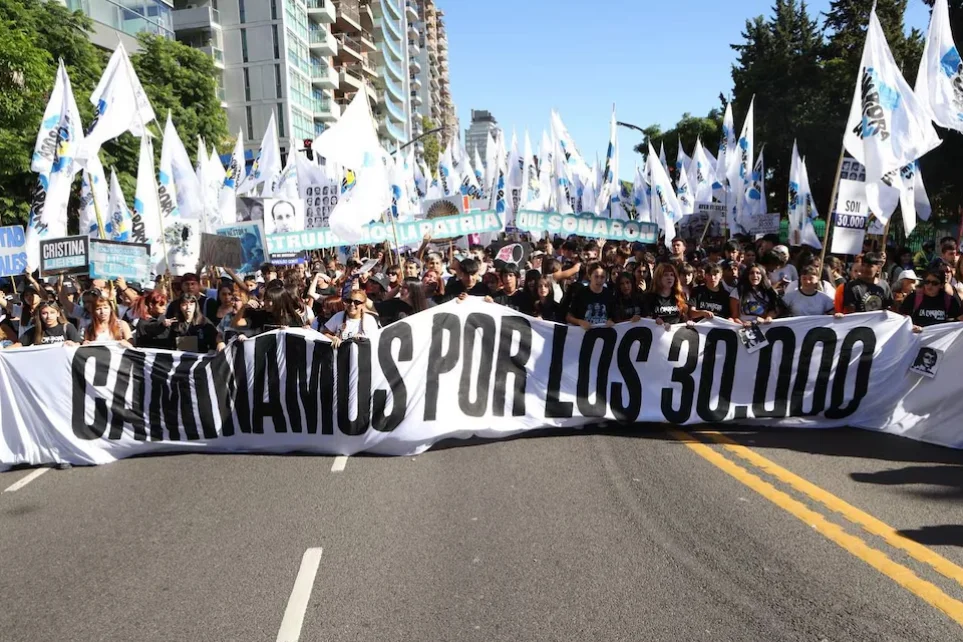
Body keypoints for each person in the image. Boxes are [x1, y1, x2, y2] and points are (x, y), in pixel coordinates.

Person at [139, 293, 222, 353]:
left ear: (195, 306)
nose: (188, 308)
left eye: (191, 304)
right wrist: (161, 325)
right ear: (180, 306)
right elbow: (151, 330)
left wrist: (216, 346)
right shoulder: (174, 322)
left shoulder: (204, 322)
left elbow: (214, 339)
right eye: (184, 305)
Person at [898, 268, 962, 331]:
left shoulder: (949, 300)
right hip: (917, 335)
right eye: (927, 282)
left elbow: (956, 322)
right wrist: (911, 326)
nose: (930, 285)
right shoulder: (913, 297)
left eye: (934, 283)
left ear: (942, 285)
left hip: (940, 336)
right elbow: (902, 318)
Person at [566, 262, 613, 328]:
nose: (599, 280)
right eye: (596, 277)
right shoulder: (580, 293)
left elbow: (612, 316)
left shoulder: (609, 294)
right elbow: (569, 317)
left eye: (602, 277)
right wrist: (580, 322)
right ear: (589, 276)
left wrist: (610, 321)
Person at [15, 302, 81, 347]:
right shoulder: (36, 330)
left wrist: (73, 344)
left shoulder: (67, 327)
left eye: (52, 312)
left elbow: (78, 344)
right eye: (44, 313)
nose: (48, 316)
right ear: (40, 315)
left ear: (58, 313)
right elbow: (19, 344)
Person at [648, 262, 688, 327]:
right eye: (665, 275)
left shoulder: (680, 296)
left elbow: (684, 318)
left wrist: (688, 322)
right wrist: (654, 320)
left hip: (677, 332)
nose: (669, 278)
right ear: (658, 278)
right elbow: (647, 318)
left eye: (672, 275)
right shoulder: (649, 297)